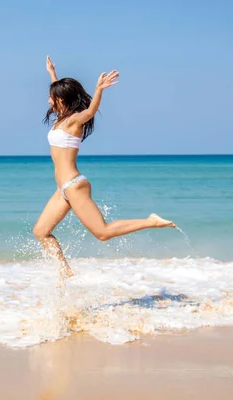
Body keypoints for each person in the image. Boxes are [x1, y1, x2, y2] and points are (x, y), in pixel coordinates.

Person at [33, 56, 176, 279]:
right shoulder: (62, 118)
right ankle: (65, 271)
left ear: (61, 99)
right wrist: (53, 74)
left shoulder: (74, 121)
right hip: (62, 190)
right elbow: (62, 93)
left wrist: (99, 90)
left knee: (102, 232)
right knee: (41, 232)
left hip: (73, 185)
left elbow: (89, 112)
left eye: (52, 97)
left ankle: (151, 221)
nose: (49, 101)